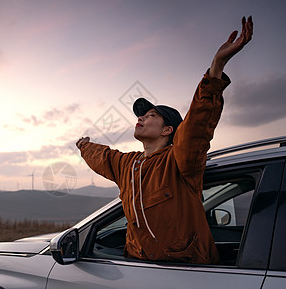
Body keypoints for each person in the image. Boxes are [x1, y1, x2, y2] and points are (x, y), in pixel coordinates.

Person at [76, 16, 253, 264]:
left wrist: (217, 65)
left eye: (150, 115)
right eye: (140, 115)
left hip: (185, 272)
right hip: (136, 267)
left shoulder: (180, 162)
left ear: (168, 130)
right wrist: (83, 145)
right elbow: (103, 157)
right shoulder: (128, 165)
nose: (141, 118)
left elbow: (196, 126)